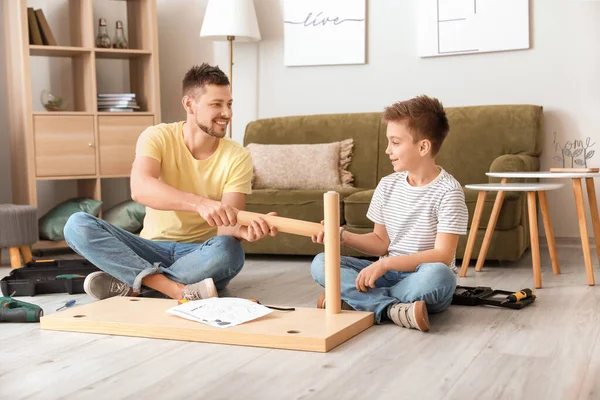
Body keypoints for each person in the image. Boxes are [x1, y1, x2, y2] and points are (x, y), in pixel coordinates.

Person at [64, 63, 277, 302]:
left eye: (229, 104)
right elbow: (140, 187)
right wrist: (200, 204)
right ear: (189, 104)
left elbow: (226, 228)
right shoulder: (157, 136)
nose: (227, 113)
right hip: (148, 247)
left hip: (199, 252)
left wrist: (242, 232)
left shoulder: (238, 156)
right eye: (216, 104)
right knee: (76, 224)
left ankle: (135, 284)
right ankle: (176, 290)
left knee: (229, 251)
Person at [310, 95, 468, 332]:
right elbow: (380, 242)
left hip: (420, 277)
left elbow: (443, 255)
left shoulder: (449, 191)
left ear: (423, 146)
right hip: (387, 274)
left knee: (440, 276)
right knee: (321, 262)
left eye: (395, 142)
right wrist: (341, 237)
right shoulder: (387, 185)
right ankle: (392, 309)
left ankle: (357, 299)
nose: (387, 150)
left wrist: (385, 265)